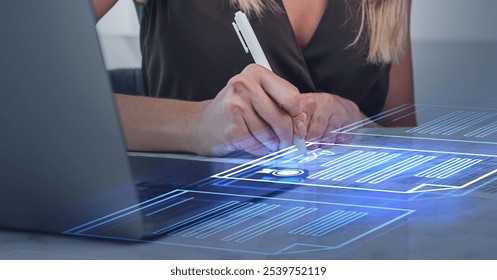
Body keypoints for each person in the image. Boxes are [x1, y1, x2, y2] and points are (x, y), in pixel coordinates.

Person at [92, 0, 414, 157]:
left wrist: (357, 125)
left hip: (348, 241)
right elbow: (44, 103)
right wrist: (197, 125)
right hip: (197, 237)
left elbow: (405, 142)